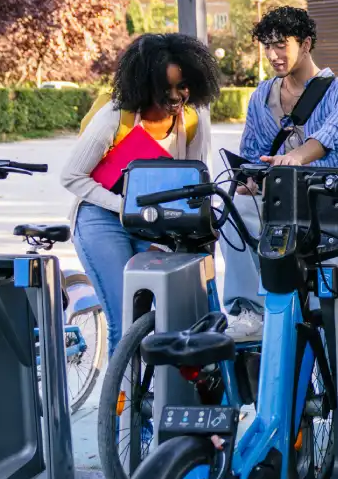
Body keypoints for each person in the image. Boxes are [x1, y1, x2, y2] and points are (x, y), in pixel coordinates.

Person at [219, 6, 338, 444]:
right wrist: (249, 177)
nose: (273, 54)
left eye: (280, 44)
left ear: (305, 43)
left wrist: (293, 160)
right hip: (275, 201)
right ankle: (247, 310)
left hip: (324, 202)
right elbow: (252, 148)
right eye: (266, 45)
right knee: (233, 208)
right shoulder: (260, 95)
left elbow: (331, 137)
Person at [62, 32, 220, 354]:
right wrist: (122, 205)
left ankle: (157, 396)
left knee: (170, 311)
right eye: (166, 89)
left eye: (183, 86)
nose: (176, 97)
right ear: (145, 84)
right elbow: (71, 176)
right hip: (100, 216)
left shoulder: (191, 119)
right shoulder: (115, 117)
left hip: (153, 218)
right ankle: (122, 403)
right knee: (127, 318)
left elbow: (194, 178)